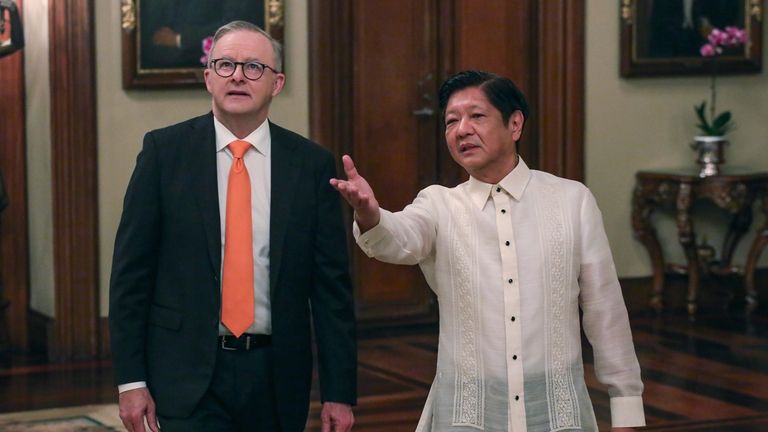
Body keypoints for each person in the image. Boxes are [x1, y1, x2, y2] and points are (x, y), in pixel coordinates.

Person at [331, 70, 645, 431]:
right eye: (451, 121)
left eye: (476, 116)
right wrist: (370, 214)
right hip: (468, 415)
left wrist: (626, 406)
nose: (462, 129)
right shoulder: (439, 204)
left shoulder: (571, 201)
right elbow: (396, 239)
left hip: (556, 413)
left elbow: (605, 310)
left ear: (514, 124)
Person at [110, 20, 357, 432]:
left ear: (276, 83)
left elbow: (331, 290)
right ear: (208, 78)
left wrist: (339, 392)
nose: (238, 75)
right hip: (184, 373)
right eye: (225, 65)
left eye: (254, 67)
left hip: (277, 377)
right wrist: (131, 383)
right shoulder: (163, 153)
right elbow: (130, 278)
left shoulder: (310, 165)